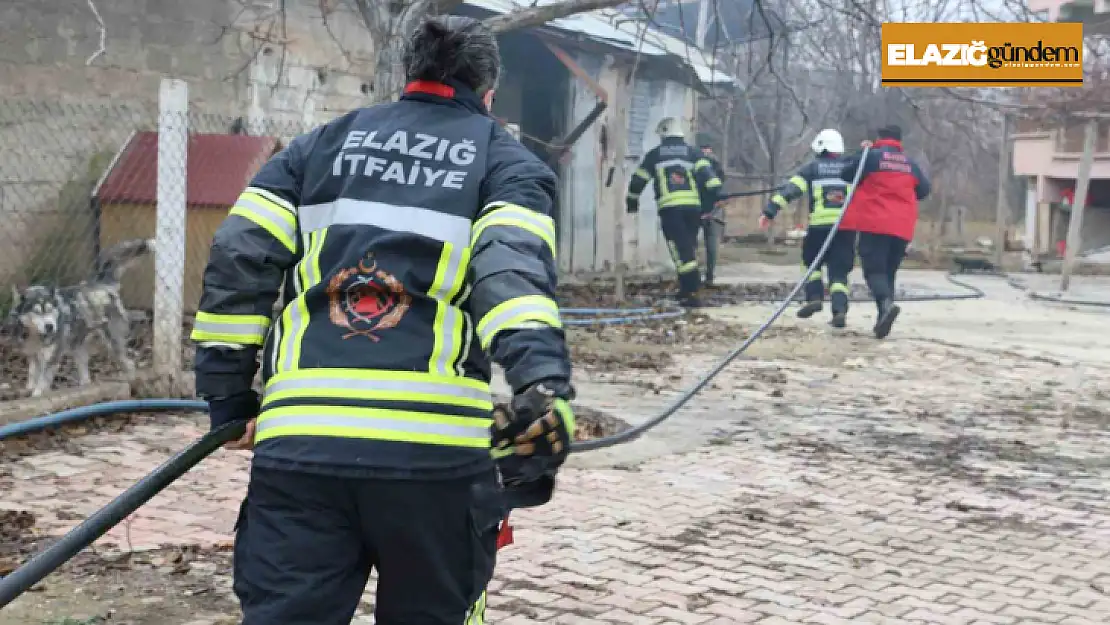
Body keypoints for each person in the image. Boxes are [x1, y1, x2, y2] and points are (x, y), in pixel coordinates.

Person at [189, 15, 576, 625]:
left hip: (303, 449)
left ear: (409, 73)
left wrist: (228, 398)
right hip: (437, 463)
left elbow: (240, 256)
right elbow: (512, 275)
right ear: (489, 91)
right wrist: (543, 384)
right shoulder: (505, 161)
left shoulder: (314, 147)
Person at [837, 124, 931, 339]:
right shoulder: (911, 164)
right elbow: (924, 191)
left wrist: (862, 152)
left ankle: (887, 305)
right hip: (902, 228)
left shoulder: (872, 157)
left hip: (875, 224)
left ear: (879, 138)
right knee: (888, 272)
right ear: (899, 141)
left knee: (874, 271)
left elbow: (846, 173)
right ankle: (883, 318)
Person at [759, 129, 857, 328]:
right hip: (845, 228)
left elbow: (790, 191)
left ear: (820, 147)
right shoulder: (852, 168)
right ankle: (839, 310)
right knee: (839, 272)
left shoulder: (812, 168)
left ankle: (814, 297)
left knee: (811, 263)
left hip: (819, 227)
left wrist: (769, 211)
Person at [626, 118, 723, 307]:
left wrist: (631, 202)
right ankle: (689, 289)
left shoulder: (655, 155)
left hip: (671, 210)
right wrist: (716, 196)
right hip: (693, 210)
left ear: (663, 134)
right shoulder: (693, 153)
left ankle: (691, 292)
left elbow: (638, 180)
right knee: (688, 248)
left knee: (680, 251)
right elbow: (710, 179)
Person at [696, 133, 726, 287]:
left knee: (710, 245)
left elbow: (721, 188)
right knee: (699, 245)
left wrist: (715, 208)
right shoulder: (713, 164)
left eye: (706, 148)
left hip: (710, 210)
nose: (705, 151)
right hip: (699, 209)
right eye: (703, 149)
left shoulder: (713, 165)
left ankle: (708, 276)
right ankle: (701, 276)